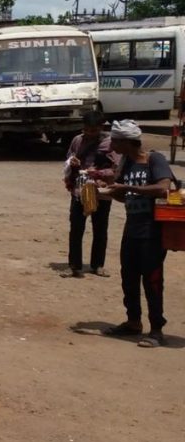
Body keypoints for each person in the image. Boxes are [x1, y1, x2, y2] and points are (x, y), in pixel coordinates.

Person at [103, 119, 174, 347]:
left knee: (152, 280)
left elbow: (163, 188)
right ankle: (133, 322)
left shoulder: (154, 159)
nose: (111, 144)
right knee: (129, 278)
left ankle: (156, 330)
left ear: (127, 142)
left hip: (152, 230)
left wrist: (129, 188)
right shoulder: (125, 163)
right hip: (132, 229)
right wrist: (109, 187)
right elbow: (123, 196)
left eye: (115, 140)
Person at [63, 111, 118, 277]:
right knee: (76, 228)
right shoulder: (77, 141)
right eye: (87, 129)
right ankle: (74, 265)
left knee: (100, 228)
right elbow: (68, 158)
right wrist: (72, 163)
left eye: (93, 130)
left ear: (101, 128)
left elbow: (116, 168)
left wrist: (100, 174)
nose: (89, 133)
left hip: (100, 191)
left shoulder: (110, 144)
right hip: (80, 190)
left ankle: (98, 265)